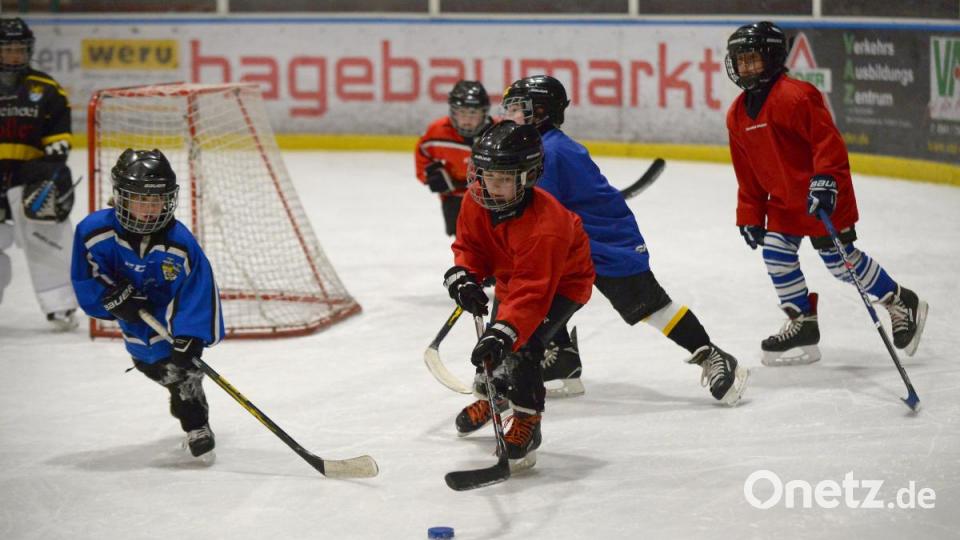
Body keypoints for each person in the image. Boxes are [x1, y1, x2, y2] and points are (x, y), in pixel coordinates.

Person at [499, 74, 748, 405]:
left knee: (651, 308)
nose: (510, 115)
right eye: (510, 107)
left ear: (542, 111)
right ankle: (561, 361)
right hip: (569, 242)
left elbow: (540, 213)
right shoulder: (536, 148)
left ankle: (713, 355)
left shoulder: (553, 152)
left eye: (519, 108)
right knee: (537, 292)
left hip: (606, 242)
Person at [725, 21, 928, 365]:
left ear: (772, 58)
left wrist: (826, 180)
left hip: (823, 195)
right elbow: (748, 174)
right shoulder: (736, 115)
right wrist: (749, 214)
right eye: (740, 61)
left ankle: (898, 299)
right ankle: (802, 322)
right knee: (775, 252)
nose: (745, 67)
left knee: (840, 263)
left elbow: (827, 143)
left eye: (752, 59)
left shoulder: (797, 96)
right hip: (786, 202)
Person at [444, 121, 594, 467]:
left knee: (521, 343)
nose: (490, 187)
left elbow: (533, 292)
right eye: (486, 175)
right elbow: (470, 246)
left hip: (560, 285)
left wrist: (505, 331)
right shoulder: (475, 199)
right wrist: (465, 275)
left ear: (527, 177)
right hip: (516, 276)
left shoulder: (547, 227)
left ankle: (527, 421)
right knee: (498, 338)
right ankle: (494, 396)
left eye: (503, 179)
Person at [71, 149, 224, 460]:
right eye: (141, 199)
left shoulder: (180, 241)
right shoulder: (93, 232)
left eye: (157, 200)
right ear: (122, 198)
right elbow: (88, 276)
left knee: (183, 370)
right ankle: (176, 384)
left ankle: (197, 425)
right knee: (150, 364)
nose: (150, 208)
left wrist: (190, 336)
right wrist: (111, 299)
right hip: (136, 324)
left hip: (169, 315)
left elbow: (197, 288)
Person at [0, 17, 78, 330]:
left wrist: (49, 168)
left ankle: (60, 306)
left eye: (19, 49)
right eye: (7, 49)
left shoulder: (46, 89)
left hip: (28, 181)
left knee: (48, 236)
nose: (14, 55)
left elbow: (59, 139)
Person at [415, 80, 493, 236]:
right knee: (465, 245)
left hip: (493, 198)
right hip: (455, 199)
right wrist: (429, 175)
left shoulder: (497, 132)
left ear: (483, 113)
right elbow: (423, 153)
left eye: (473, 114)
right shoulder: (437, 132)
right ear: (453, 112)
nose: (467, 120)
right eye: (462, 113)